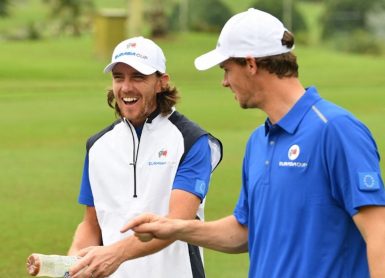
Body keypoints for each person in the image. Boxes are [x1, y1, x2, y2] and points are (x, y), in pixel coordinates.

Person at [122, 8, 385, 278]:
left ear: (251, 64)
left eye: (226, 69)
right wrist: (176, 227)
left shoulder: (336, 130)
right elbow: (244, 232)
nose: (224, 82)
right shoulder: (258, 142)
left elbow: (379, 235)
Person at [67, 36, 223, 278]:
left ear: (161, 82)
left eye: (138, 77)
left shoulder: (192, 140)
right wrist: (73, 262)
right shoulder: (97, 146)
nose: (126, 87)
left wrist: (115, 254)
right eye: (119, 77)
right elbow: (91, 224)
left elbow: (176, 222)